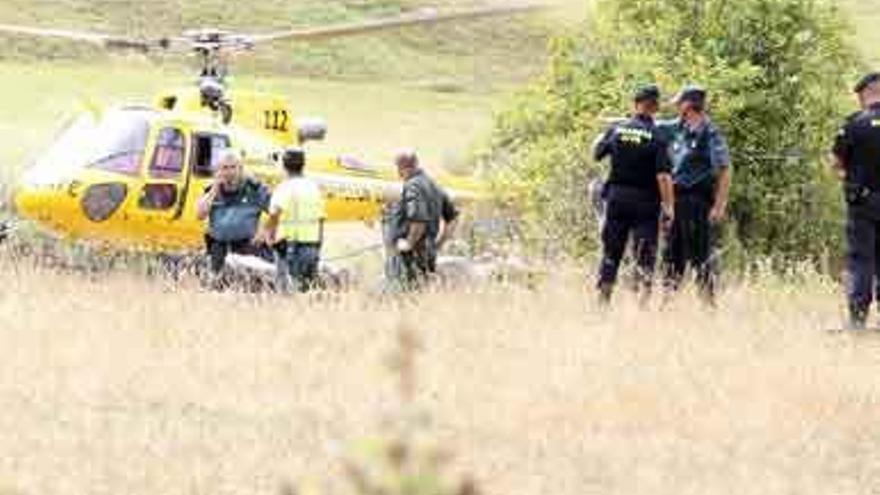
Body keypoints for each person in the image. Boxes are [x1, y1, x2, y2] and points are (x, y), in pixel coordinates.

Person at [593, 84, 675, 305]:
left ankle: (603, 301)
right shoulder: (657, 136)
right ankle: (641, 306)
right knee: (644, 254)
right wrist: (668, 207)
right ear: (655, 107)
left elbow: (597, 153)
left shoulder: (617, 129)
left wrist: (609, 130)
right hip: (645, 204)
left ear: (635, 104)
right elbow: (664, 177)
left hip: (616, 199)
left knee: (612, 251)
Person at [659, 85, 732, 305]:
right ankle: (668, 303)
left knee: (700, 255)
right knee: (673, 254)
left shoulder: (709, 133)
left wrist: (719, 206)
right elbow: (655, 127)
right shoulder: (679, 126)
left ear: (689, 105)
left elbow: (725, 168)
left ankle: (708, 305)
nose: (677, 107)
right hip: (676, 200)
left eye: (680, 103)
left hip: (696, 200)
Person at [832, 72, 880, 329]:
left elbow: (837, 163)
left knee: (861, 260)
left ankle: (858, 318)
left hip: (862, 205)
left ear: (866, 93)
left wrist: (850, 179)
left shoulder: (854, 124)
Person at [196, 150, 272, 287]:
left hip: (247, 248)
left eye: (233, 167)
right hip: (219, 248)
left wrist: (266, 230)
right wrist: (214, 189)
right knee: (215, 287)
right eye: (225, 168)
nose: (229, 172)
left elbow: (277, 211)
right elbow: (200, 214)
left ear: (241, 169)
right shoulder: (212, 190)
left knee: (247, 287)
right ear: (218, 170)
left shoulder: (254, 189)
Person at [387, 149, 459, 289]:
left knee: (408, 294)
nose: (398, 173)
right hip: (428, 251)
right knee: (423, 291)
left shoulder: (413, 186)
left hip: (412, 255)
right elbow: (453, 219)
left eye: (398, 168)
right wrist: (438, 244)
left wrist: (408, 243)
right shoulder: (435, 186)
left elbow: (418, 221)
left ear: (403, 167)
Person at [264, 147, 326, 293]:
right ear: (303, 164)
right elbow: (321, 219)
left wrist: (269, 236)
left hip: (289, 247)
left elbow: (275, 214)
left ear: (284, 165)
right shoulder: (314, 188)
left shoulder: (284, 187)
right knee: (308, 291)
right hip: (312, 246)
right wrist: (318, 247)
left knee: (287, 292)